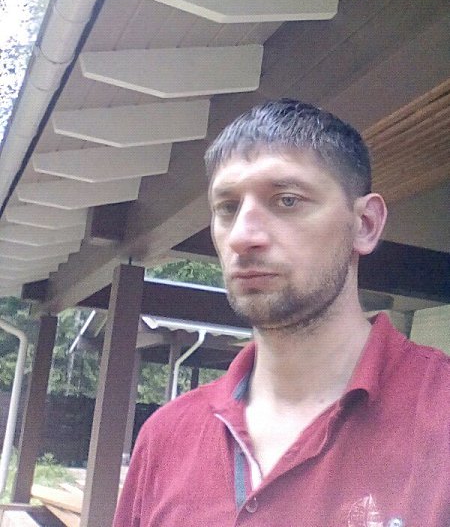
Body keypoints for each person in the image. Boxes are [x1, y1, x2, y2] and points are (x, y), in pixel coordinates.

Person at [113, 99, 449, 527]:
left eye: (287, 200)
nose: (242, 236)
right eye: (227, 208)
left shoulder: (439, 417)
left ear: (364, 224)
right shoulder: (165, 437)